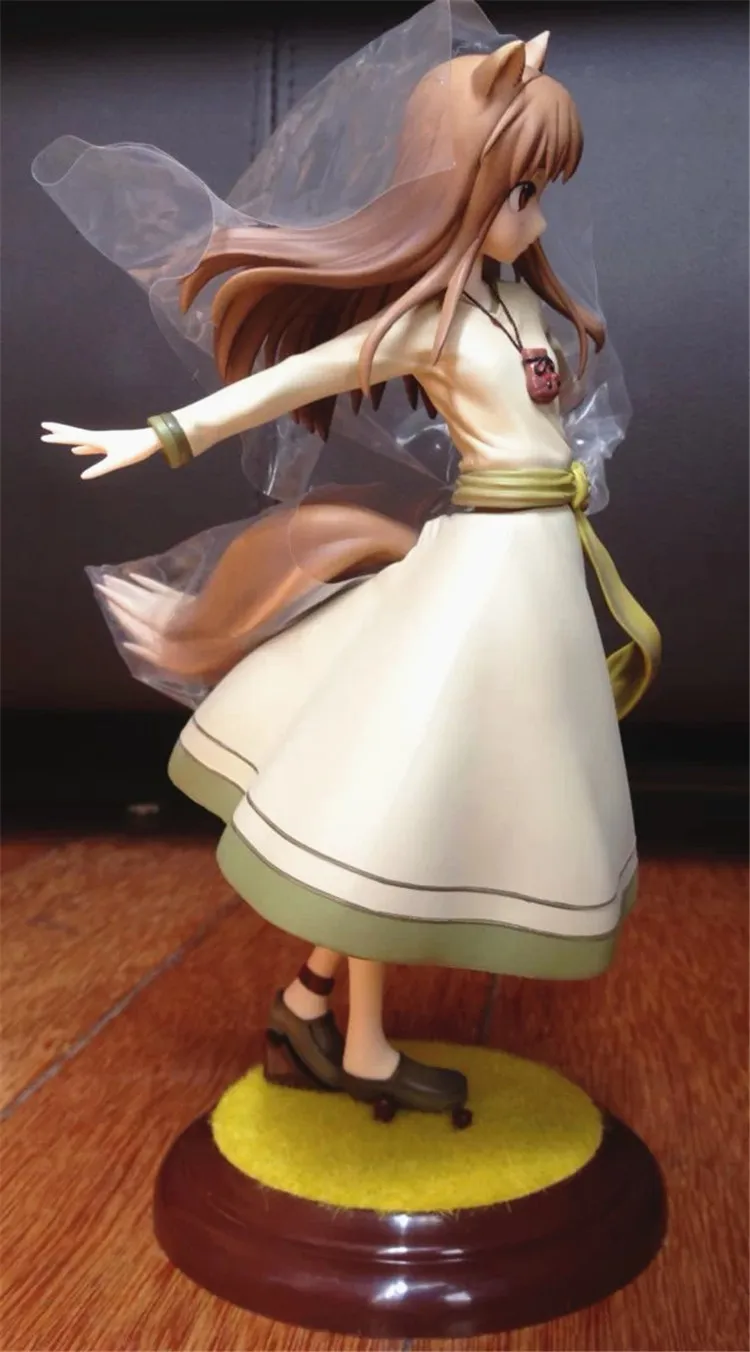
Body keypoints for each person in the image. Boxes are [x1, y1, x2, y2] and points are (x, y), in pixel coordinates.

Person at [38, 18, 660, 1126]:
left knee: (440, 799)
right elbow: (301, 377)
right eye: (520, 192)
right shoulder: (434, 321)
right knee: (396, 808)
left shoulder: (522, 298)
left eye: (541, 193)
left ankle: (304, 1003)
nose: (535, 217)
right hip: (485, 580)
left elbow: (545, 417)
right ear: (464, 183)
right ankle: (358, 1045)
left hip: (533, 573)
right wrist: (165, 433)